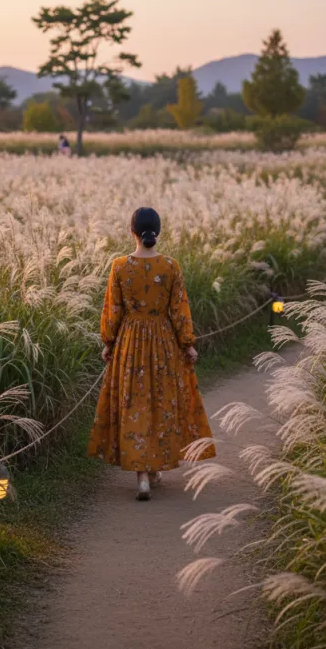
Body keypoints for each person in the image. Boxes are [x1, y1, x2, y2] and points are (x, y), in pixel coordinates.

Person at [87, 207, 216, 500]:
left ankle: (143, 477)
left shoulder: (119, 266)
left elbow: (113, 310)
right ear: (158, 232)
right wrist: (188, 343)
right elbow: (179, 310)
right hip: (163, 343)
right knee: (160, 402)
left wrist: (108, 343)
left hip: (129, 343)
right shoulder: (170, 266)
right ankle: (154, 468)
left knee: (135, 403)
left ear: (131, 231)